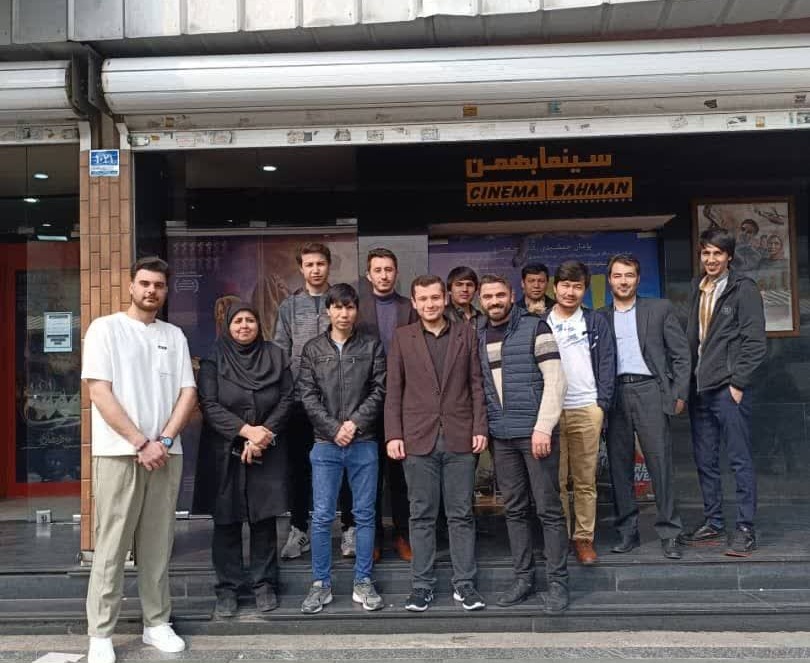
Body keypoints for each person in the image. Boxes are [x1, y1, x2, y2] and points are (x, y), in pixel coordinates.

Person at [81, 256, 197, 663]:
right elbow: (99, 391)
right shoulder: (105, 329)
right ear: (131, 286)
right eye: (145, 283)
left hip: (165, 454)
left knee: (157, 544)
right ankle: (100, 633)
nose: (151, 291)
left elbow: (187, 393)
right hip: (118, 454)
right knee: (111, 545)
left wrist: (162, 440)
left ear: (165, 291)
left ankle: (156, 623)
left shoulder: (174, 335)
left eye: (159, 285)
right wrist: (139, 442)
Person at [385, 275, 488, 612]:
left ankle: (465, 585)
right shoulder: (402, 337)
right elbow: (394, 390)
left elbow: (476, 385)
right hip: (417, 439)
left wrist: (480, 427)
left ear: (445, 299)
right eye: (423, 299)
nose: (429, 304)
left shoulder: (466, 333)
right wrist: (393, 434)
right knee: (421, 515)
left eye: (434, 297)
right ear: (414, 303)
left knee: (461, 515)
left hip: (460, 436)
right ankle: (421, 586)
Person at [477, 275, 569, 613]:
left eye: (500, 294)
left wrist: (543, 427)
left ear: (511, 295)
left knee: (548, 509)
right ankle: (523, 579)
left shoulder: (535, 327)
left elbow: (556, 380)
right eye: (488, 296)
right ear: (481, 301)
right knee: (514, 510)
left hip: (535, 435)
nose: (494, 301)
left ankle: (558, 582)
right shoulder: (478, 334)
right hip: (501, 438)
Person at [197, 303, 294, 618]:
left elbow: (287, 398)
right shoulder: (214, 358)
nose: (244, 326)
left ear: (259, 324)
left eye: (250, 320)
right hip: (224, 449)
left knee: (263, 520)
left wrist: (263, 435)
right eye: (237, 321)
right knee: (226, 520)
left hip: (267, 447)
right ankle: (228, 589)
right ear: (228, 326)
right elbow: (209, 404)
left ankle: (264, 585)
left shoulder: (275, 355)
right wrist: (246, 432)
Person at [297, 284, 387, 614]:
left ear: (356, 310)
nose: (343, 314)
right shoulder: (313, 349)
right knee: (322, 516)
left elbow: (380, 389)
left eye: (349, 307)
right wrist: (334, 429)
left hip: (364, 441)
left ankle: (363, 581)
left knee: (364, 515)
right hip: (325, 443)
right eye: (337, 307)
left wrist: (354, 424)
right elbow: (307, 395)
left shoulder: (371, 345)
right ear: (328, 311)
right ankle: (320, 584)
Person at [681, 228, 766, 556]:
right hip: (699, 388)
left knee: (739, 459)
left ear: (729, 256)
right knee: (705, 460)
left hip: (728, 389)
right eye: (706, 253)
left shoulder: (743, 288)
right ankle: (714, 521)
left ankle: (745, 528)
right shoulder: (697, 286)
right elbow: (694, 339)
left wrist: (738, 383)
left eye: (718, 253)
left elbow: (755, 343)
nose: (711, 259)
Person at [601, 255, 690, 560]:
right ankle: (627, 531)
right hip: (615, 395)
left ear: (638, 279)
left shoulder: (659, 308)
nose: (623, 281)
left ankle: (670, 532)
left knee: (659, 463)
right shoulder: (600, 317)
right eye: (617, 276)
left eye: (629, 275)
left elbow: (681, 354)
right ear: (609, 280)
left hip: (650, 389)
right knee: (619, 466)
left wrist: (679, 393)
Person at [273, 242, 353, 559]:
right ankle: (299, 529)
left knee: (345, 466)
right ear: (301, 268)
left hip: (339, 401)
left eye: (320, 263)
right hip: (300, 401)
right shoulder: (289, 307)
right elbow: (280, 351)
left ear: (329, 265)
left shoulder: (342, 300)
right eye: (309, 264)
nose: (315, 269)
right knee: (299, 468)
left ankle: (349, 527)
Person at [546, 260, 615, 566]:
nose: (570, 292)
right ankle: (560, 537)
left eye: (577, 286)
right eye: (565, 285)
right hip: (551, 412)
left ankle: (583, 537)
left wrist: (602, 403)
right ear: (555, 287)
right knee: (556, 481)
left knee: (585, 480)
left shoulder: (595, 320)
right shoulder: (540, 322)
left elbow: (607, 361)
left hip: (586, 407)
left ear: (585, 290)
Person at [358, 247, 416, 561]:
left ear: (396, 273)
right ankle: (374, 537)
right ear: (369, 275)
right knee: (369, 477)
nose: (383, 275)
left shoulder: (410, 307)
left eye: (388, 269)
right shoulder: (357, 307)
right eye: (378, 270)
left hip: (404, 401)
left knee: (401, 477)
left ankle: (403, 535)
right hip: (366, 401)